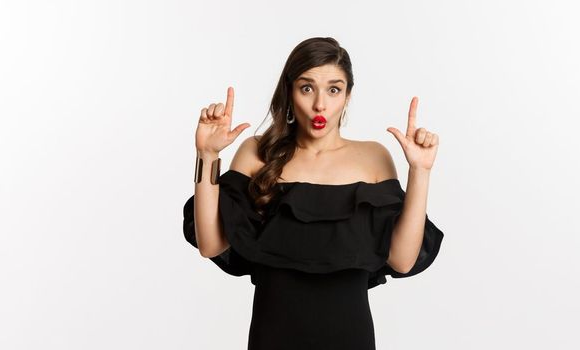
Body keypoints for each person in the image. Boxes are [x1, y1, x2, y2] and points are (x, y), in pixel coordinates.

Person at [183, 37, 444, 350]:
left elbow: (402, 261)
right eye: (307, 88)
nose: (320, 104)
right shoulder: (258, 152)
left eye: (333, 89)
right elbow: (210, 244)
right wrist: (207, 156)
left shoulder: (374, 157)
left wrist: (421, 171)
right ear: (290, 93)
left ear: (347, 96)